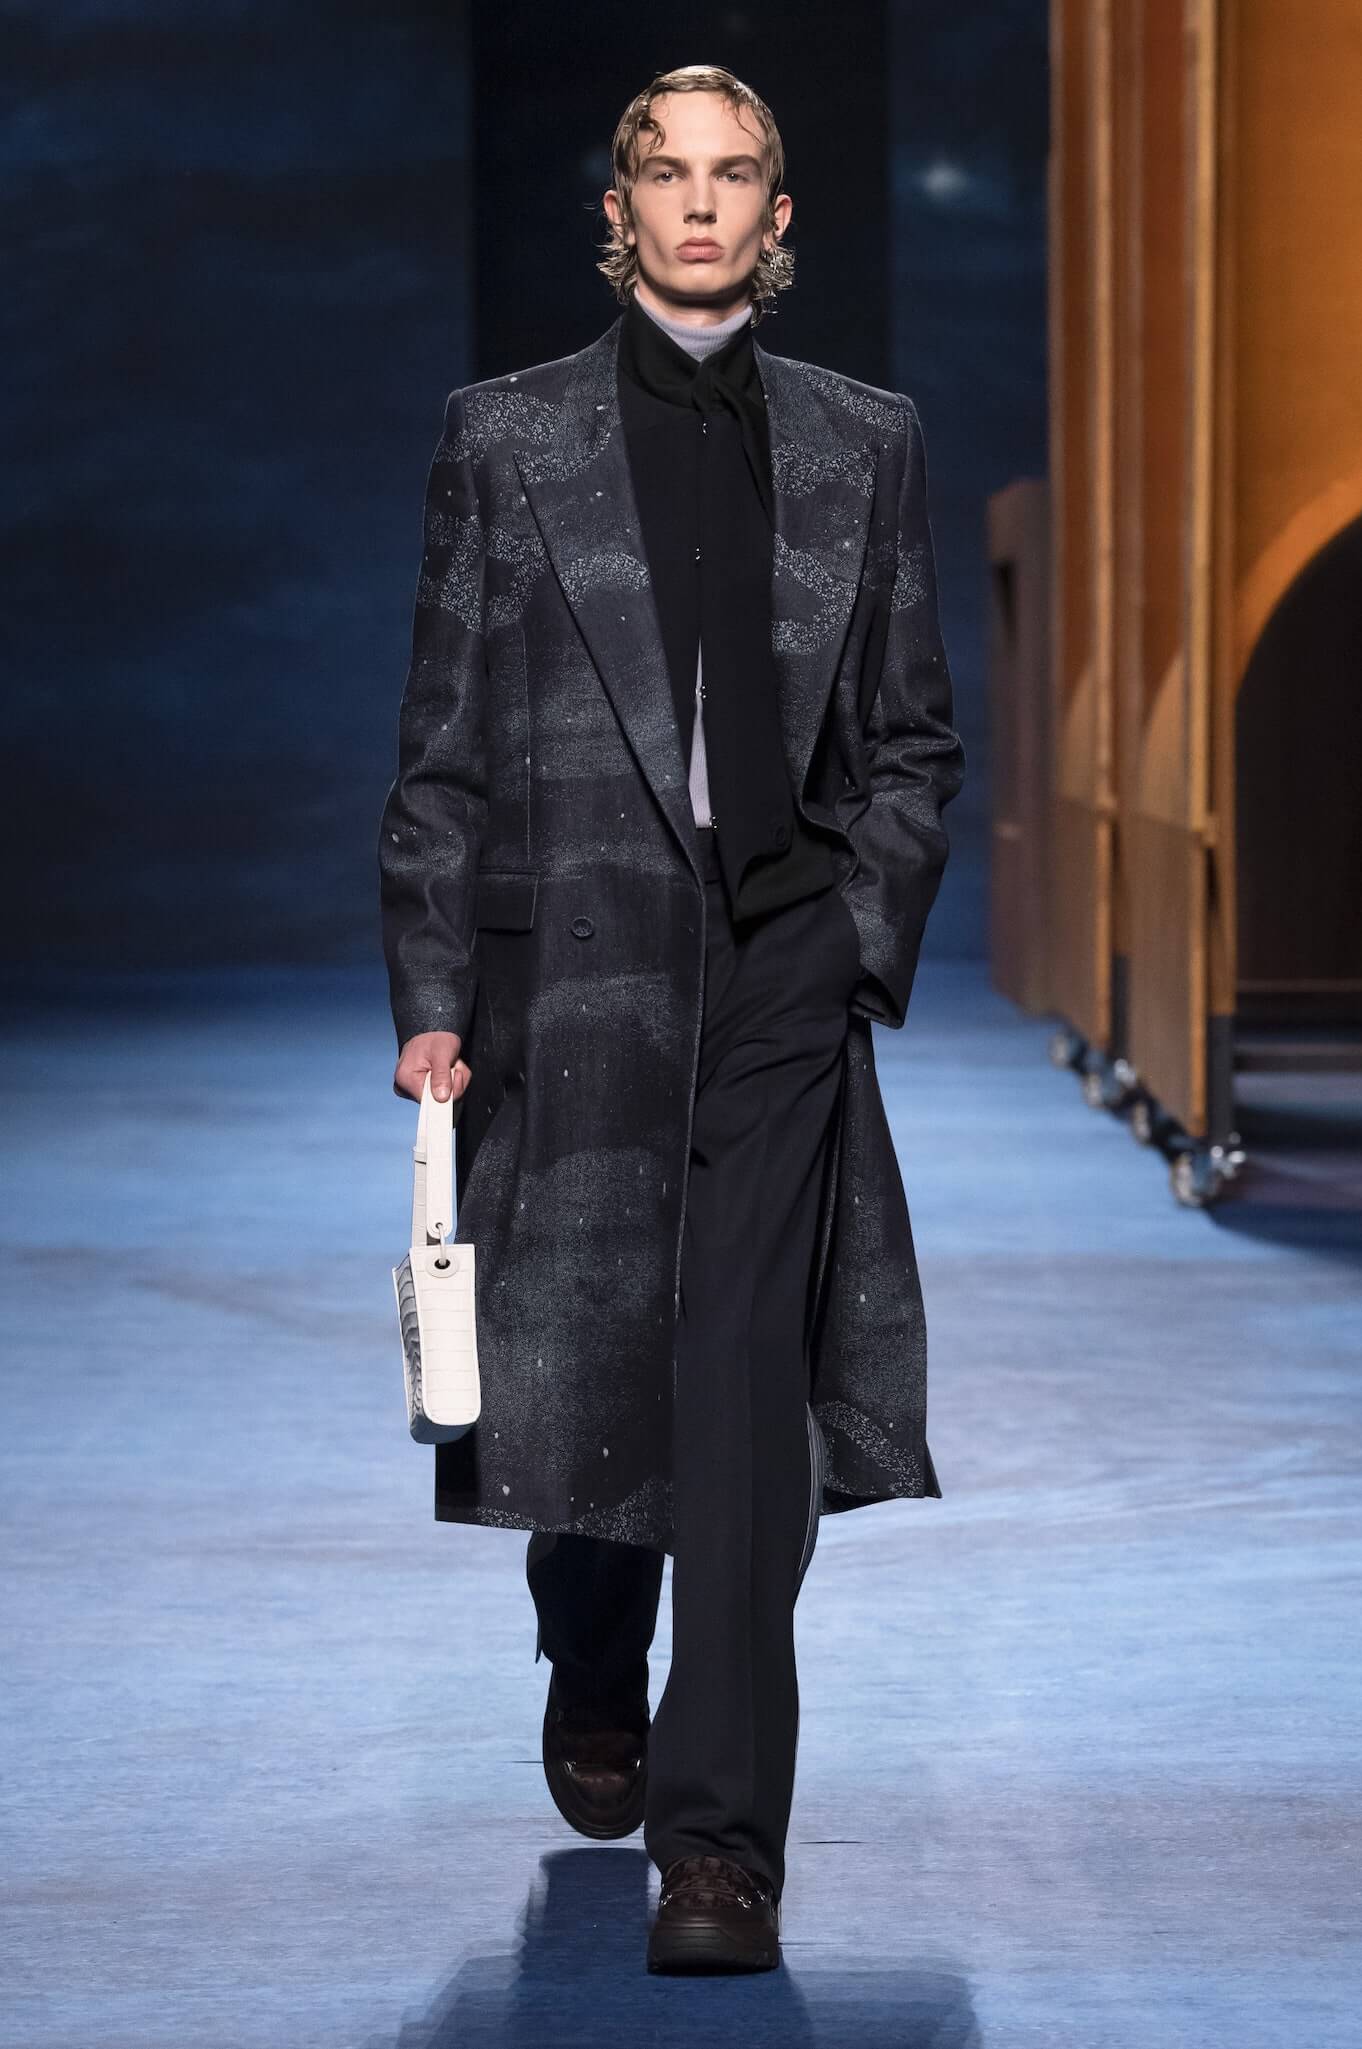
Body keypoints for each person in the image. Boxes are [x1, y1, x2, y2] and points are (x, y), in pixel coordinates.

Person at [377, 62, 966, 1975]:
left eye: (732, 176)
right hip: (575, 967)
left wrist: (855, 937)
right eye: (665, 172)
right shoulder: (505, 437)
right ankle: (588, 1641)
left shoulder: (865, 441)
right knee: (586, 1345)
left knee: (734, 1391)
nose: (698, 203)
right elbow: (443, 744)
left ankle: (719, 1851)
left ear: (776, 217)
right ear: (618, 207)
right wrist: (434, 991)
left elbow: (912, 735)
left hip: (780, 963)